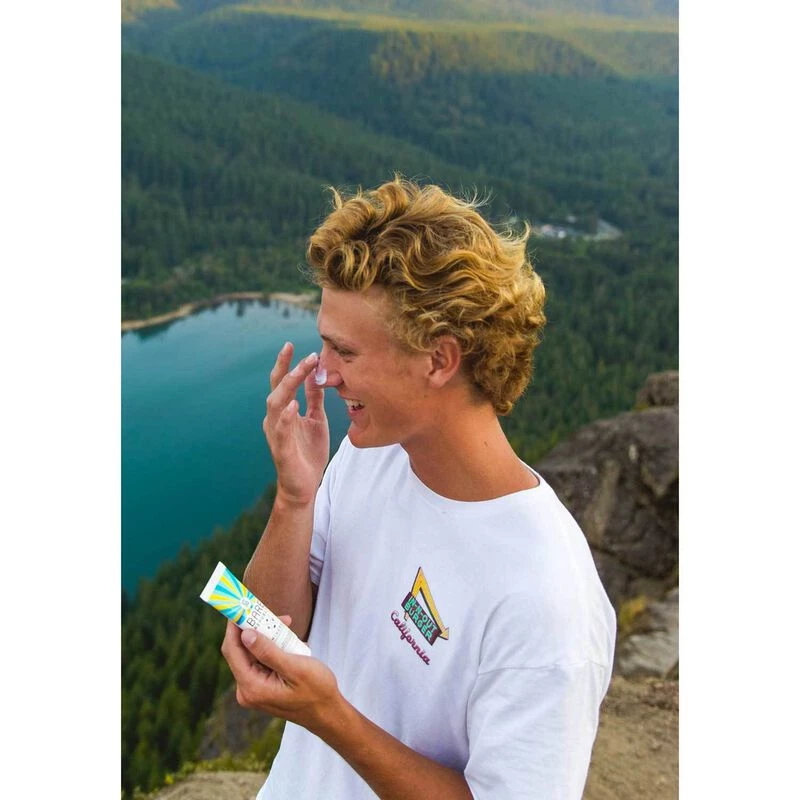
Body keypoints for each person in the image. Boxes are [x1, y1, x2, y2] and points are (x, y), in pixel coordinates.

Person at [220, 177, 616, 799]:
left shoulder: (548, 601)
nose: (322, 374)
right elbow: (274, 628)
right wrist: (295, 498)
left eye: (344, 351)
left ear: (439, 359)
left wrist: (333, 719)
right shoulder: (370, 453)